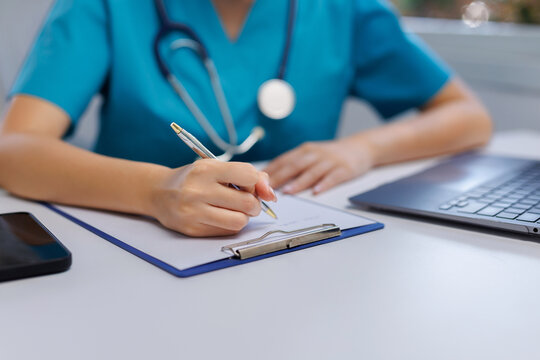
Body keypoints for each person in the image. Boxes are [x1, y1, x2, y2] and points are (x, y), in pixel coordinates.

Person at [0, 0, 492, 237]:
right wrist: (153, 190)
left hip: (294, 259)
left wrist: (362, 148)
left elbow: (468, 117)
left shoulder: (346, 10)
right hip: (132, 258)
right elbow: (15, 150)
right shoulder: (105, 6)